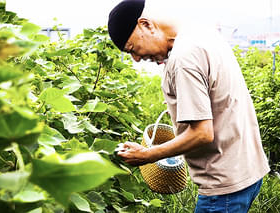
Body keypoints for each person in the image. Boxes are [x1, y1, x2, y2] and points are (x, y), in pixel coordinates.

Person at [108, 0, 270, 212]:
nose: (136, 59)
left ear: (146, 24)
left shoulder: (183, 58)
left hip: (222, 187)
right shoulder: (200, 33)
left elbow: (201, 134)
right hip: (247, 171)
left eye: (132, 49)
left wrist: (147, 155)